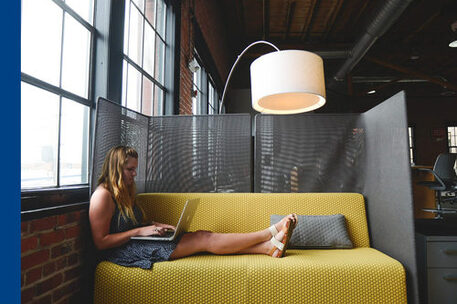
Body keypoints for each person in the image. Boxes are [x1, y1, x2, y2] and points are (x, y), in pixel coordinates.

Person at [89, 145, 297, 269]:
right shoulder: (102, 196)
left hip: (137, 242)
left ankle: (268, 248)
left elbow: (128, 224)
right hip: (124, 253)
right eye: (130, 169)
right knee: (203, 239)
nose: (134, 174)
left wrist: (152, 226)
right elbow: (100, 242)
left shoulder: (124, 190)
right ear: (116, 168)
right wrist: (140, 231)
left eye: (135, 169)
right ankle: (268, 233)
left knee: (202, 234)